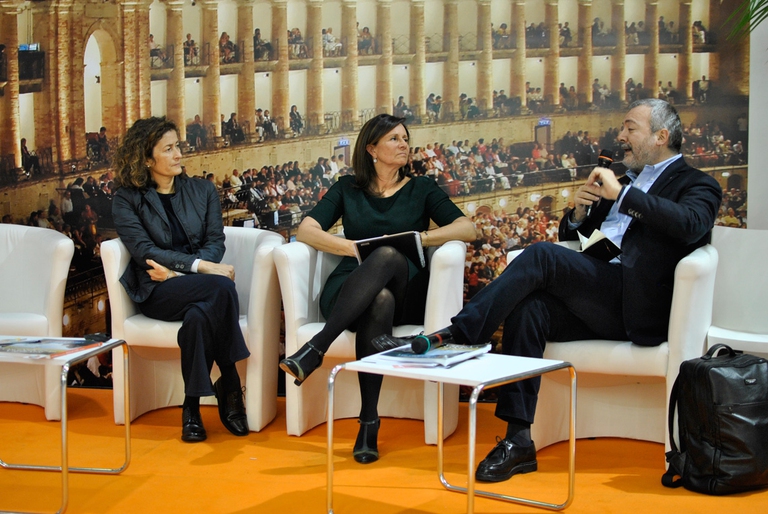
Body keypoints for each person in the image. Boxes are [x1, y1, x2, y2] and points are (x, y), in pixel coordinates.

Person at [373, 99, 722, 482]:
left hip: (640, 306)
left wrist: (622, 196)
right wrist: (577, 217)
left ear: (661, 136)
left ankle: (456, 334)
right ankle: (518, 440)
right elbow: (592, 246)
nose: (620, 136)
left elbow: (691, 225)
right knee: (531, 309)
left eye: (630, 128)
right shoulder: (626, 180)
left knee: (541, 256)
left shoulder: (696, 183)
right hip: (603, 297)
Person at [279, 114, 476, 464]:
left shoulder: (422, 188)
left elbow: (467, 228)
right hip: (351, 286)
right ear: (371, 148)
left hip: (408, 289)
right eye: (395, 139)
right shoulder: (347, 188)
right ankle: (368, 422)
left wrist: (420, 238)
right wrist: (352, 248)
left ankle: (316, 347)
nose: (404, 145)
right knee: (378, 298)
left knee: (387, 254)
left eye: (405, 138)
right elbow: (307, 231)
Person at [111, 117, 250, 443]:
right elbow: (143, 250)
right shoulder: (126, 199)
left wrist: (179, 270)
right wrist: (199, 267)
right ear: (147, 159)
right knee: (222, 285)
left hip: (184, 282)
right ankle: (229, 381)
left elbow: (216, 242)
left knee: (200, 316)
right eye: (169, 149)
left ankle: (191, 408)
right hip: (157, 289)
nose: (178, 155)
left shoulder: (202, 190)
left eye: (178, 147)